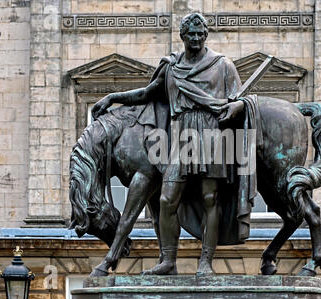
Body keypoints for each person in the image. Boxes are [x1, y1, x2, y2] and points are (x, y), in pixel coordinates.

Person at [92, 13, 255, 275]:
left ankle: (205, 262)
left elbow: (242, 100)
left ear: (206, 35)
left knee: (210, 198)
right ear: (182, 36)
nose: (196, 38)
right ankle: (168, 260)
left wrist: (236, 107)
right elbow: (146, 93)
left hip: (212, 134)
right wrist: (113, 97)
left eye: (200, 34)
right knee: (167, 199)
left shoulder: (222, 65)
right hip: (181, 135)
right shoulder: (171, 66)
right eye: (191, 34)